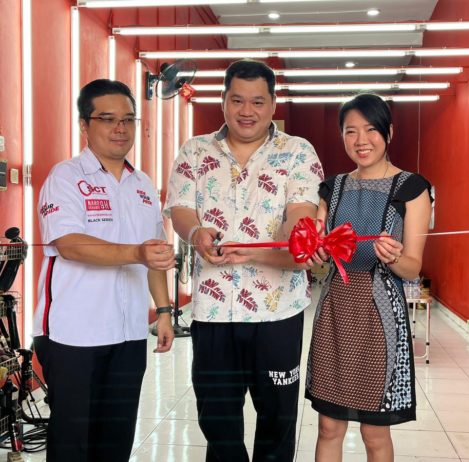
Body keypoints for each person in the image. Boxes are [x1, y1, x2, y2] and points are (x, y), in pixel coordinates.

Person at [164, 59, 324, 461]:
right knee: (217, 420)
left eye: (257, 101)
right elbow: (180, 210)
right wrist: (195, 233)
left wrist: (294, 238)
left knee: (278, 418)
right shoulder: (195, 150)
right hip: (213, 311)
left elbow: (300, 212)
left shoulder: (298, 152)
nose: (246, 111)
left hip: (278, 312)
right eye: (237, 100)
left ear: (273, 104)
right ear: (223, 101)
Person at [32, 79, 176, 462]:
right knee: (72, 441)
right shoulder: (66, 177)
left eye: (128, 119)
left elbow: (154, 255)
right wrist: (136, 252)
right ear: (84, 124)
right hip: (73, 334)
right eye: (108, 119)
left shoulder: (142, 185)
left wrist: (163, 311)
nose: (120, 128)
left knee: (116, 438)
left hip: (129, 334)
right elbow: (69, 244)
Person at [305, 93, 432, 462]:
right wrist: (314, 251)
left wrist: (394, 257)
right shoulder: (332, 188)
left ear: (388, 133)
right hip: (335, 310)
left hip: (380, 316)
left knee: (374, 431)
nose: (361, 140)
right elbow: (318, 253)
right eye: (351, 131)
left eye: (371, 129)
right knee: (328, 427)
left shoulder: (412, 189)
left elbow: (413, 267)